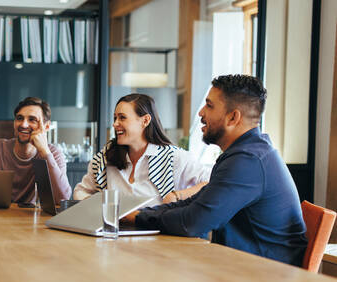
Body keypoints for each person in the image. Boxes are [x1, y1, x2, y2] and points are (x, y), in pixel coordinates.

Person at [126, 74, 307, 266]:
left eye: (209, 106)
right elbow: (195, 204)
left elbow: (193, 222)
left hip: (265, 280)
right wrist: (140, 214)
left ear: (233, 117)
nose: (201, 113)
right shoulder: (245, 153)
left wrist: (139, 218)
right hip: (246, 270)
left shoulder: (248, 160)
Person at [74, 94, 211, 205]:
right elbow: (80, 192)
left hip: (161, 237)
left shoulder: (175, 158)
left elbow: (210, 183)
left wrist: (177, 196)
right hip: (112, 235)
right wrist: (98, 205)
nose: (115, 124)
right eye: (115, 118)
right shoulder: (104, 158)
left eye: (122, 118)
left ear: (145, 121)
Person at [0, 97, 72, 204]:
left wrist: (45, 152)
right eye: (20, 118)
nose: (23, 124)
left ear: (46, 126)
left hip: (31, 219)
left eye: (32, 120)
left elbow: (62, 199)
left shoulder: (53, 154)